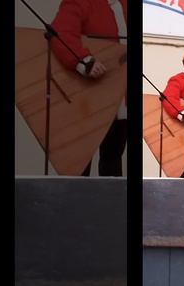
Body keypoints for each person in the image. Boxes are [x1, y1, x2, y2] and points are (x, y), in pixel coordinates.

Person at [50, 0, 127, 176]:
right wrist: (83, 60)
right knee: (80, 166)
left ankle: (111, 203)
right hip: (89, 100)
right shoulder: (81, 1)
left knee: (113, 161)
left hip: (120, 98)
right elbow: (60, 33)